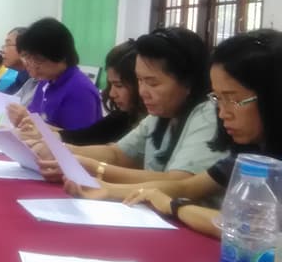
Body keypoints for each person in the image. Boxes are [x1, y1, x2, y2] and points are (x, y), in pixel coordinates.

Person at [65, 30, 282, 238]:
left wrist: (175, 206)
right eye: (218, 98)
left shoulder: (204, 114)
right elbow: (187, 187)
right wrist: (110, 190)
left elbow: (249, 229)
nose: (222, 113)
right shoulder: (251, 151)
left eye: (233, 99)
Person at [34, 27, 224, 185]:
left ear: (188, 82)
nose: (143, 91)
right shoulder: (160, 115)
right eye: (140, 80)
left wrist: (93, 168)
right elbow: (117, 154)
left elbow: (177, 182)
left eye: (153, 83)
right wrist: (63, 150)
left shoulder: (207, 114)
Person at [18, 40, 146, 146]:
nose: (112, 94)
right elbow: (86, 135)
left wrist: (47, 135)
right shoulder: (122, 116)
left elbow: (90, 142)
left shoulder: (80, 88)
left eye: (119, 85)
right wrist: (40, 129)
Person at [6, 18, 102, 131]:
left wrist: (31, 122)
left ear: (60, 55)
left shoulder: (80, 91)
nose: (30, 64)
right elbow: (34, 119)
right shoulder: (46, 80)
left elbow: (79, 139)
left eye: (37, 59)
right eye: (27, 57)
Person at [1, 26, 36, 105]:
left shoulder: (36, 78)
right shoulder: (21, 76)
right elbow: (6, 98)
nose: (3, 51)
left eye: (8, 44)